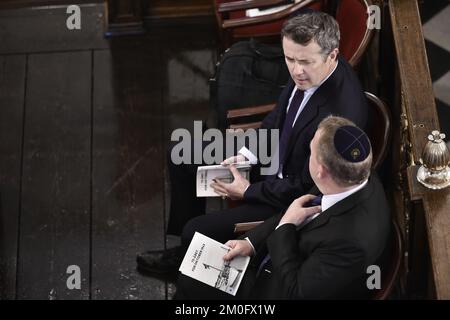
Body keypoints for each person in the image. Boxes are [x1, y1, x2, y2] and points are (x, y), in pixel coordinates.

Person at [136, 11, 369, 276]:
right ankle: (183, 253)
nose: (295, 70)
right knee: (180, 154)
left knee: (197, 230)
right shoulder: (311, 68)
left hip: (284, 194)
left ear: (333, 55)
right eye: (289, 58)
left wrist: (247, 191)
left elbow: (306, 186)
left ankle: (188, 262)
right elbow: (278, 115)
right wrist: (248, 154)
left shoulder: (341, 115)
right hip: (273, 156)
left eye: (303, 61)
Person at [174, 116, 391, 299]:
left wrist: (285, 226)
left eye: (311, 152)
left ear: (321, 171)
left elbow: (295, 292)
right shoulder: (351, 174)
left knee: (188, 282)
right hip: (273, 256)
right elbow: (295, 211)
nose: (308, 155)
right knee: (190, 270)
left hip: (273, 289)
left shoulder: (352, 242)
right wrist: (250, 242)